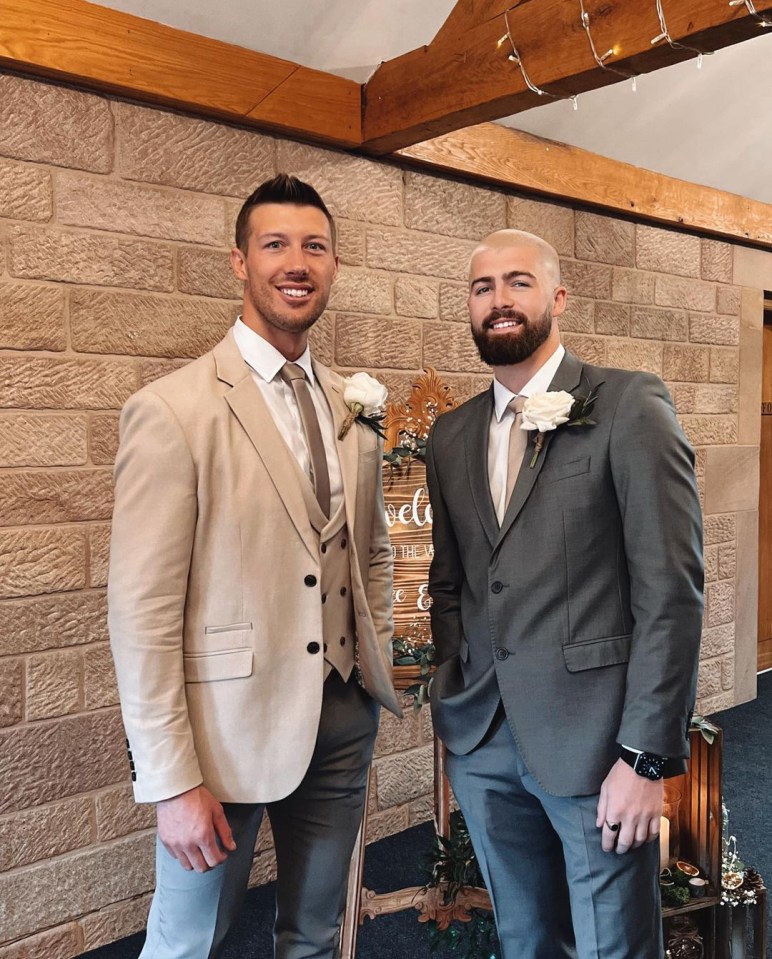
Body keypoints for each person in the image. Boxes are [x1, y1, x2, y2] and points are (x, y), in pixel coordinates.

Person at [108, 174, 401, 959]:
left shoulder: (355, 405)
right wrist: (170, 780)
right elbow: (141, 614)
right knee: (188, 943)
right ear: (240, 261)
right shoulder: (173, 409)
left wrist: (370, 666)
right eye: (275, 244)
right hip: (222, 739)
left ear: (334, 265)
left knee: (314, 934)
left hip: (341, 717)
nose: (295, 262)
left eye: (314, 246)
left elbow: (368, 548)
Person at [426, 229, 703, 958]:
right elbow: (450, 583)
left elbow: (670, 591)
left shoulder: (626, 404)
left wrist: (645, 756)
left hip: (596, 747)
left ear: (557, 296)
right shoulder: (450, 436)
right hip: (483, 740)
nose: (499, 300)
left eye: (518, 282)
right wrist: (451, 696)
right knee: (523, 940)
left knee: (615, 944)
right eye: (483, 287)